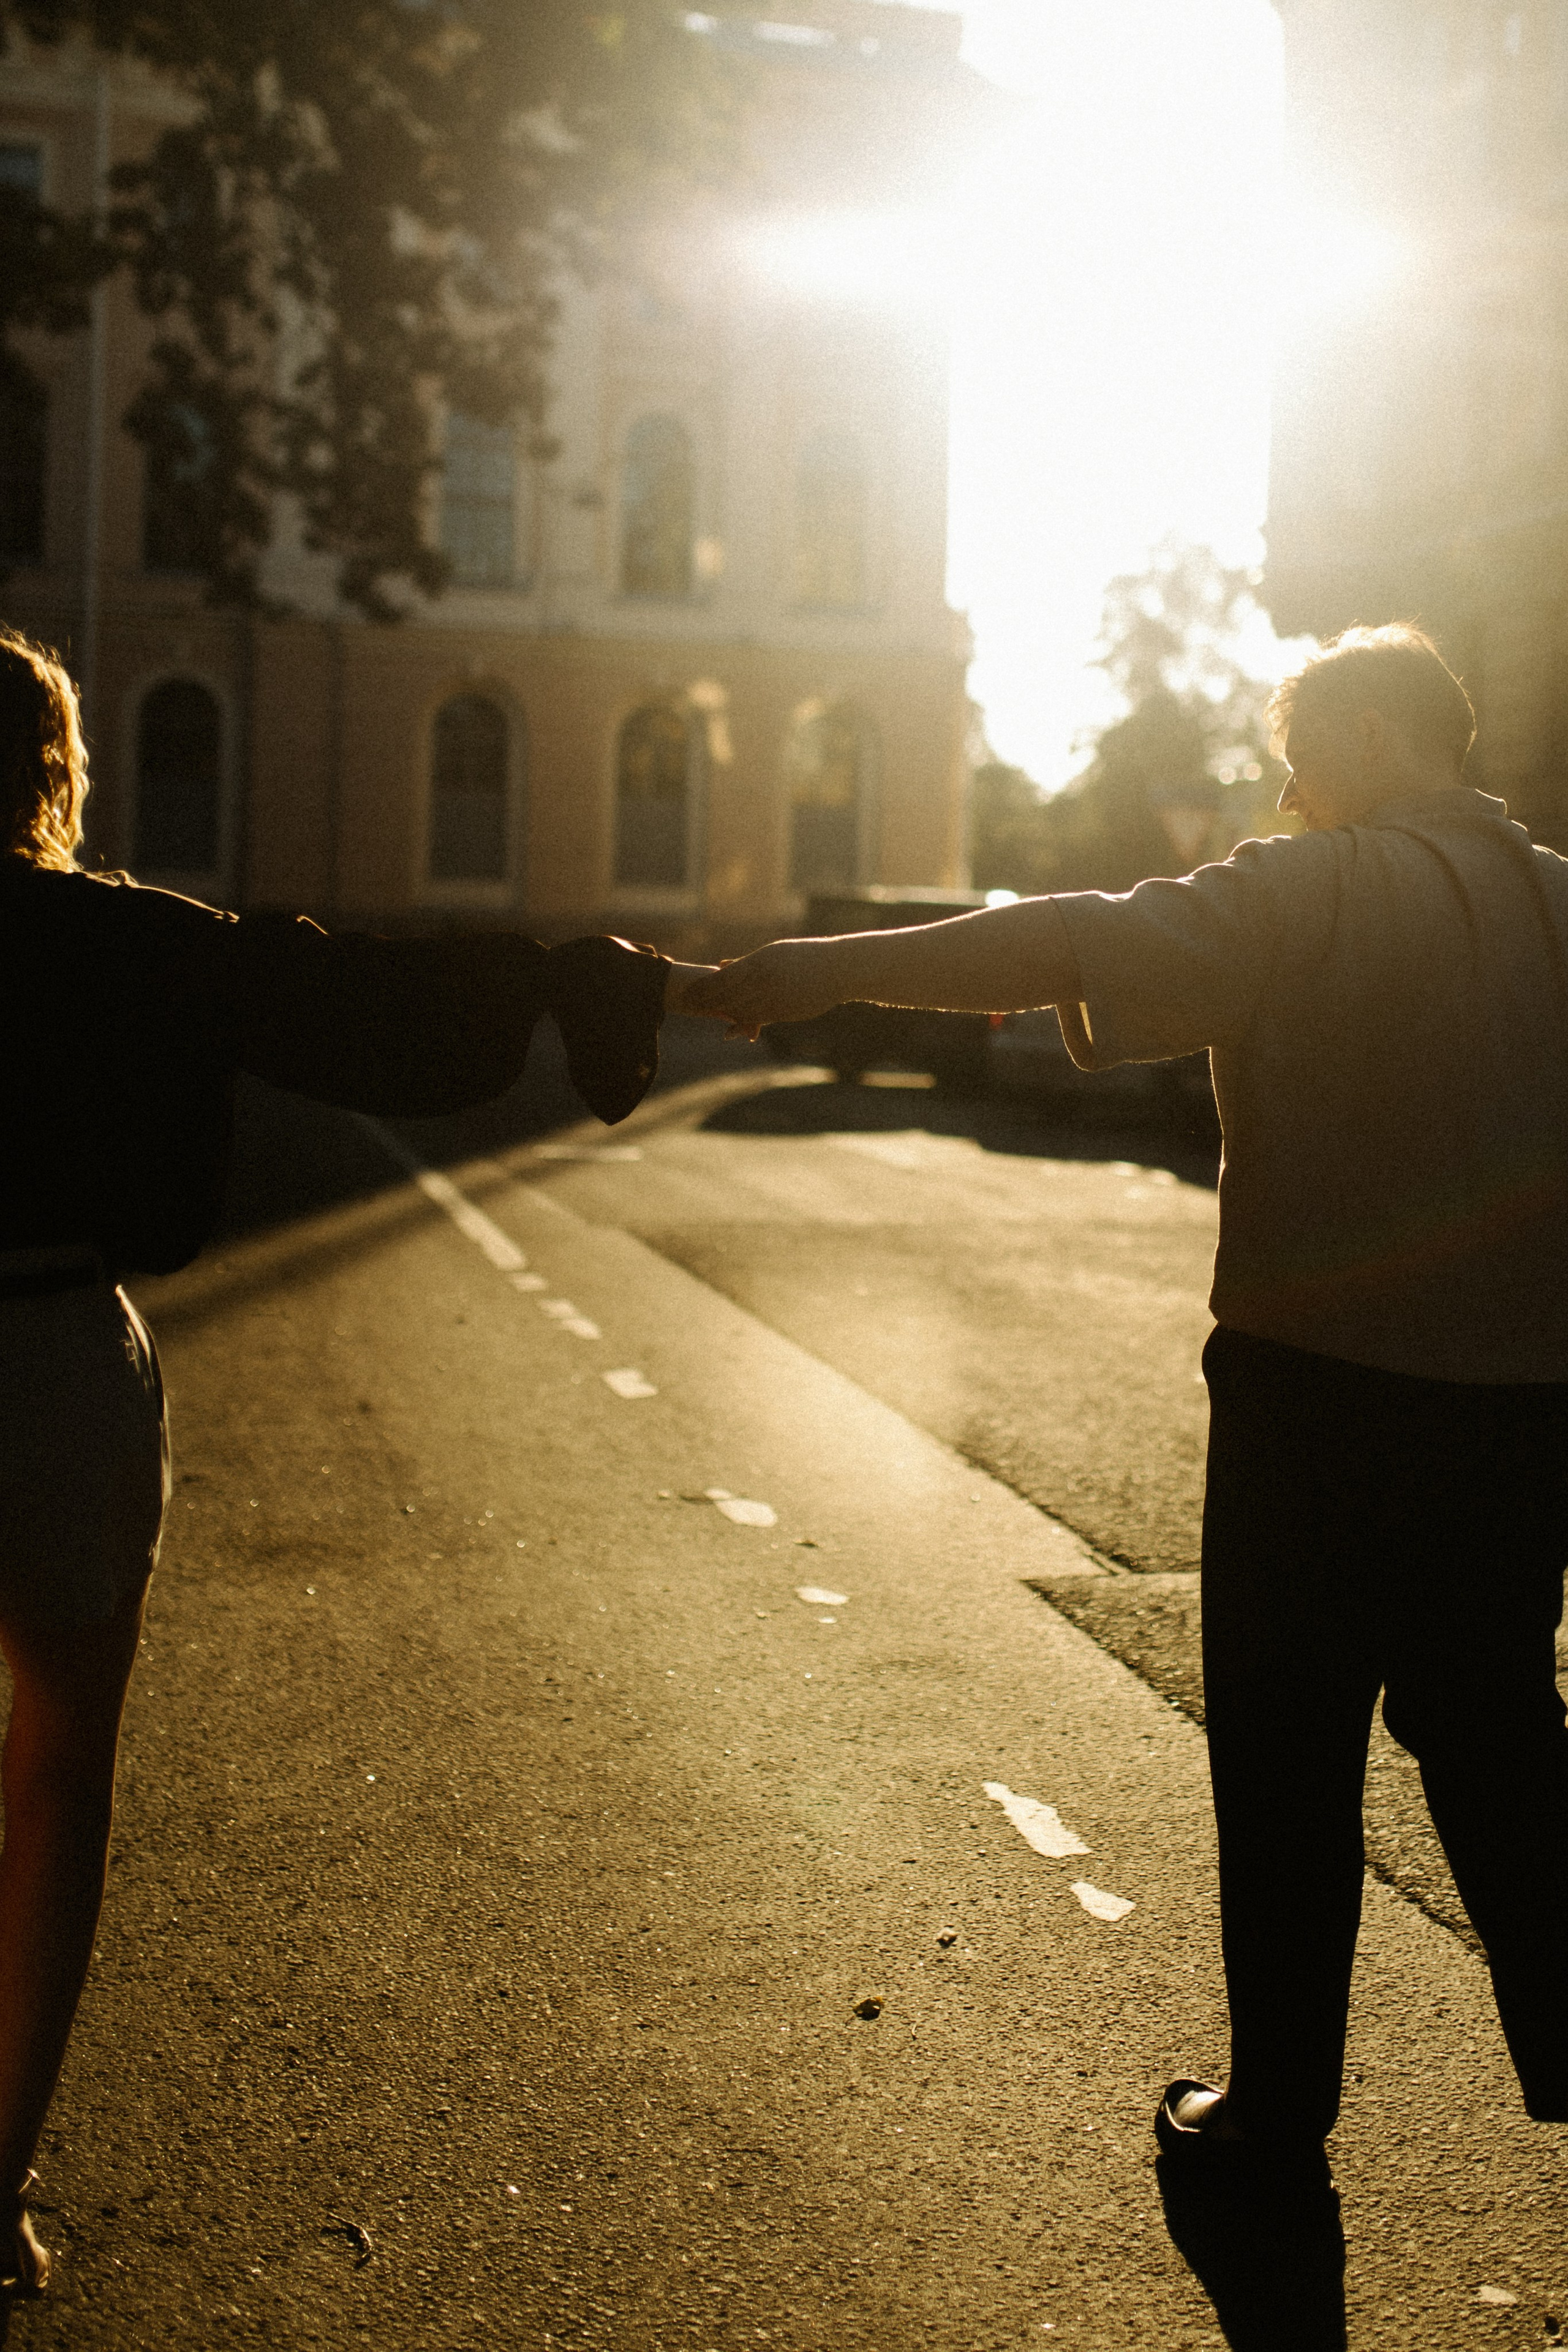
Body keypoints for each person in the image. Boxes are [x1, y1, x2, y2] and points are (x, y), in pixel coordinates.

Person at [687, 622, 1568, 2206]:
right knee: (1499, 1730)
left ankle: (1279, 2113)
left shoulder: (1322, 888)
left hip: (1318, 1400)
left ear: (1367, 739)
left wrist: (821, 975)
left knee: (1289, 1755)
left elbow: (1063, 942)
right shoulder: (1564, 904)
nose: (1291, 797)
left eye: (1304, 760)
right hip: (1524, 1413)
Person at [0, 625, 712, 2290]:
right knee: (56, 1769)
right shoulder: (133, 945)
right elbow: (361, 995)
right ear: (56, 775)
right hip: (49, 1357)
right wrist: (571, 978)